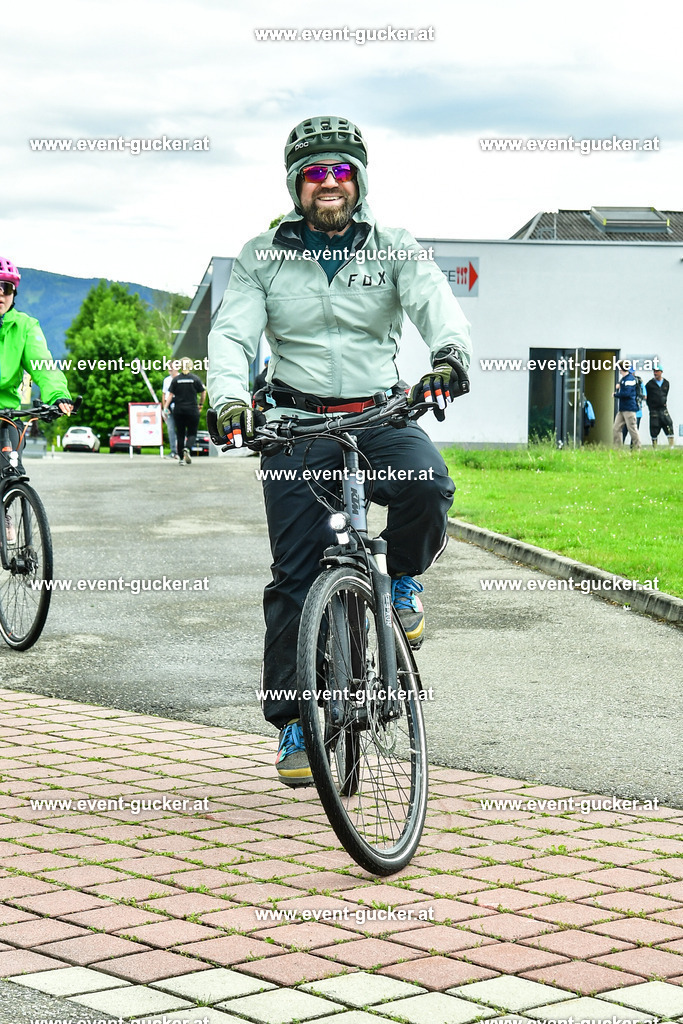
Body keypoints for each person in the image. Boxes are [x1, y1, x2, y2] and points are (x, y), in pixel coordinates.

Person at [207, 116, 472, 786]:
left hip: (380, 411)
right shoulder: (260, 254)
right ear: (296, 185)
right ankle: (297, 721)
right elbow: (232, 335)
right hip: (295, 425)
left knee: (427, 485)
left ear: (357, 180)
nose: (330, 185)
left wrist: (448, 358)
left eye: (341, 172)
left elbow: (435, 302)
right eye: (315, 174)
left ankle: (403, 578)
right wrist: (230, 401)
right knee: (295, 578)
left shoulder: (394, 245)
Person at [0, 257, 73, 450]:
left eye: (6, 288)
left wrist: (58, 395)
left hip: (5, 416)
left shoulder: (25, 326)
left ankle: (13, 482)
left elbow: (44, 365)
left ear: (13, 293)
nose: (0, 294)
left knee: (11, 469)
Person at [164, 357, 205, 465]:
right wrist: (200, 404)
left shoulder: (176, 380)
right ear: (190, 366)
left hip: (179, 410)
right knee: (192, 433)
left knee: (180, 434)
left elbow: (170, 395)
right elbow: (203, 392)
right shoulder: (195, 379)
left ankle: (181, 458)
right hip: (192, 409)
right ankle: (187, 448)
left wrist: (165, 407)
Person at [612, 359, 641, 451]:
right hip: (623, 409)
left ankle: (637, 448)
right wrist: (620, 386)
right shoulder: (624, 380)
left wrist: (615, 394)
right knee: (616, 428)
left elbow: (627, 393)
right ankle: (617, 449)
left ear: (621, 368)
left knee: (632, 429)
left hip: (629, 409)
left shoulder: (630, 379)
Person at [645, 365, 674, 448]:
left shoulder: (666, 383)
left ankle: (671, 446)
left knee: (668, 424)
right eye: (654, 371)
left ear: (661, 372)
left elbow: (665, 394)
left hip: (663, 409)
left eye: (657, 371)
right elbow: (647, 396)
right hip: (654, 410)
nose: (655, 373)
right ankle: (655, 447)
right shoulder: (650, 384)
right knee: (654, 427)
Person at [162, 359, 180, 458]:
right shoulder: (166, 380)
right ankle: (173, 450)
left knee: (180, 428)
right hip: (168, 406)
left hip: (178, 404)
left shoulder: (181, 378)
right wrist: (164, 407)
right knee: (170, 428)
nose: (170, 370)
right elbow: (164, 394)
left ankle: (181, 450)